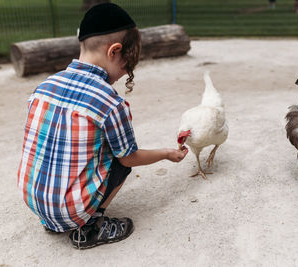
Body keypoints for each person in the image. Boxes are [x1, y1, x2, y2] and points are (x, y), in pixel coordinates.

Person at [17, 3, 188, 249]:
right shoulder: (110, 102)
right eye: (127, 66)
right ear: (114, 51)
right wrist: (166, 154)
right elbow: (129, 159)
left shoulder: (45, 86)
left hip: (33, 201)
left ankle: (53, 220)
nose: (123, 75)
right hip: (71, 210)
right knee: (120, 156)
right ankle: (89, 227)